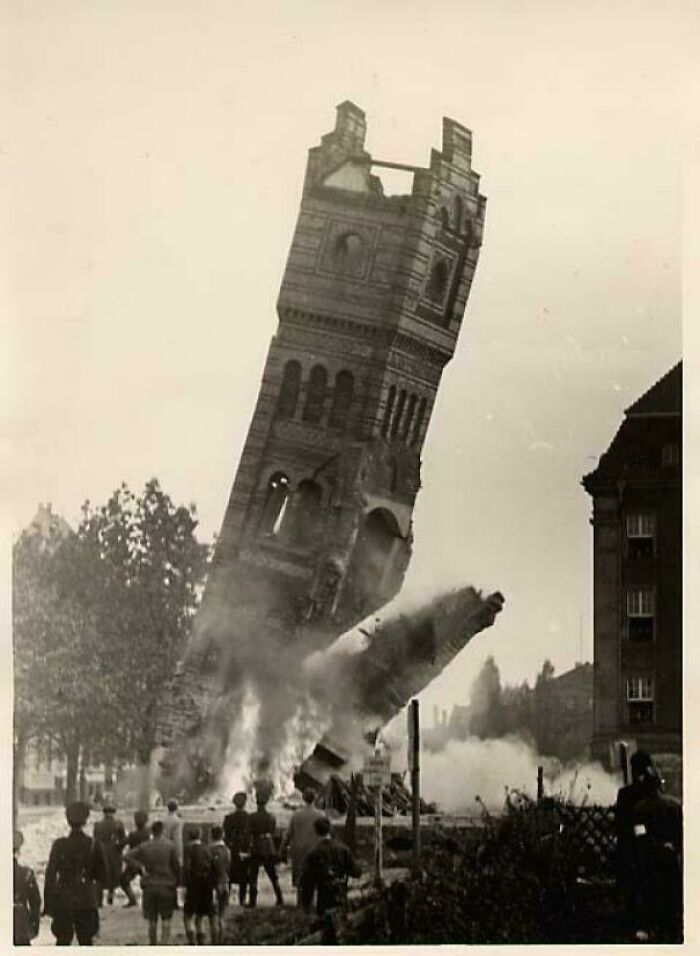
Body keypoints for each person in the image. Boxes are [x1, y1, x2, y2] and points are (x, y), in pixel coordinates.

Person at [43, 800, 106, 946]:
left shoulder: (59, 845)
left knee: (62, 941)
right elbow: (102, 876)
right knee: (86, 941)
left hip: (64, 900)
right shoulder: (93, 844)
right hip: (86, 900)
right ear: (85, 820)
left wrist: (49, 904)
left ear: (68, 820)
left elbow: (50, 876)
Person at [632, 770, 683, 942]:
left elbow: (640, 835)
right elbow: (681, 832)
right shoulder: (675, 805)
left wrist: (649, 850)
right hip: (670, 856)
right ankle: (673, 928)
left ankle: (654, 928)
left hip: (651, 858)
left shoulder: (640, 809)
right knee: (672, 893)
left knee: (652, 892)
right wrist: (674, 847)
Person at [613, 750, 659, 939]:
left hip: (630, 848)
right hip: (648, 848)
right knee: (648, 887)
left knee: (631, 889)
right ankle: (647, 925)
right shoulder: (653, 793)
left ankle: (633, 925)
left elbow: (619, 823)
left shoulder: (626, 794)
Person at [300, 817, 361, 943]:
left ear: (316, 831)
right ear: (330, 830)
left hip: (324, 898)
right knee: (343, 931)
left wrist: (306, 904)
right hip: (341, 895)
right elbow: (357, 872)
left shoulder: (314, 853)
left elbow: (306, 882)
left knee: (326, 933)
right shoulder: (343, 849)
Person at [125, 819, 180, 946]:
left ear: (152, 832)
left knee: (152, 920)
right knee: (166, 919)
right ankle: (164, 945)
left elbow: (127, 856)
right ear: (163, 831)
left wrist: (140, 867)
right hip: (166, 885)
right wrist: (176, 882)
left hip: (150, 886)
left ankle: (153, 945)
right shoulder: (170, 846)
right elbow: (176, 867)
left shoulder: (144, 846)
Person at [281, 788, 327, 906]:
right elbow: (326, 833)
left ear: (303, 798)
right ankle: (312, 903)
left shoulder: (296, 814)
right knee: (315, 876)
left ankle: (300, 902)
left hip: (299, 850)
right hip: (316, 849)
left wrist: (283, 848)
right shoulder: (321, 814)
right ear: (315, 798)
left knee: (300, 877)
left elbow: (289, 833)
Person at [182, 826, 216, 945]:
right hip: (206, 884)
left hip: (193, 883)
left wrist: (184, 884)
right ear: (200, 836)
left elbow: (187, 868)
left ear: (188, 836)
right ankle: (201, 942)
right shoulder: (207, 848)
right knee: (200, 915)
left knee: (188, 915)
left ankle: (192, 941)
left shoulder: (188, 849)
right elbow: (213, 866)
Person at [248, 796, 284, 907]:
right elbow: (273, 830)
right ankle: (279, 898)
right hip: (268, 846)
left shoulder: (252, 817)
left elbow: (250, 832)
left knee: (253, 875)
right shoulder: (271, 816)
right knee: (273, 874)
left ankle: (252, 901)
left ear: (257, 803)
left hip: (257, 846)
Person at [93, 802, 126, 906]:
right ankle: (111, 895)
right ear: (113, 813)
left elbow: (95, 840)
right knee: (113, 873)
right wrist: (119, 848)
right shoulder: (118, 824)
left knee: (100, 874)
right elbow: (123, 840)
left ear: (104, 813)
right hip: (114, 852)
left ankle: (99, 900)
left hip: (101, 851)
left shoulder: (98, 825)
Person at [223, 792, 252, 907]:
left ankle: (226, 898)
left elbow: (226, 835)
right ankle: (242, 899)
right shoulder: (249, 818)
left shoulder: (228, 818)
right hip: (244, 848)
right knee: (244, 874)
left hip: (232, 849)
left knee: (230, 874)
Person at [13, 831, 41, 946]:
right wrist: (34, 925)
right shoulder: (26, 873)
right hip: (21, 925)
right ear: (18, 850)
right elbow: (36, 902)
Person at [119, 810, 150, 908]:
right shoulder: (149, 833)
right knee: (147, 882)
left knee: (123, 880)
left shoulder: (133, 834)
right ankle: (147, 900)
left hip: (134, 862)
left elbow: (123, 843)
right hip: (147, 861)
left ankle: (132, 899)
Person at [209, 825, 232, 944]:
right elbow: (229, 867)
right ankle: (221, 942)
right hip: (225, 883)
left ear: (211, 836)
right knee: (222, 916)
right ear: (223, 835)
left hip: (214, 885)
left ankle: (214, 944)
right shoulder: (227, 850)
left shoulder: (209, 850)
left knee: (213, 917)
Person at [162, 798, 185, 908]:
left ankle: (165, 900)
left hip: (163, 849)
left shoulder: (163, 819)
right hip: (173, 851)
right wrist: (180, 856)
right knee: (174, 877)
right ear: (177, 808)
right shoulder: (178, 821)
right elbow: (177, 840)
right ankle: (174, 902)